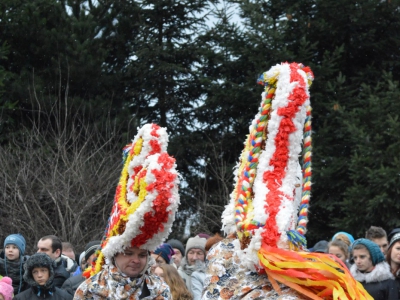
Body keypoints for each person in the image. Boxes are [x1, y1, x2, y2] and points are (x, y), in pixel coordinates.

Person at [74, 246, 171, 299]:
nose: (136, 260)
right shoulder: (89, 290)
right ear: (114, 255)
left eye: (142, 255)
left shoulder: (159, 289)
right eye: (129, 253)